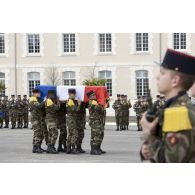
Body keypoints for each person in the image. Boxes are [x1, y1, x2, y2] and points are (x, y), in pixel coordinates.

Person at [140, 49, 195, 163]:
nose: (157, 77)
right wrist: (147, 147)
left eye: (163, 73)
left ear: (175, 81)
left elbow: (171, 160)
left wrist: (148, 134)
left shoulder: (178, 112)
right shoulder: (171, 107)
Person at [87, 90, 106, 155]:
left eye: (94, 95)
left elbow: (101, 111)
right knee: (95, 135)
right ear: (90, 97)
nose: (94, 96)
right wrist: (102, 105)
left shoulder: (95, 102)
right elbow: (99, 109)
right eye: (93, 95)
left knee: (100, 134)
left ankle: (98, 148)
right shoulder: (92, 102)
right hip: (94, 121)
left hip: (98, 120)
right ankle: (93, 149)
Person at [29, 89, 46, 153]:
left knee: (38, 133)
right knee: (38, 133)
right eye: (37, 93)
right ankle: (36, 147)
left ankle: (36, 147)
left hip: (38, 119)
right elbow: (39, 106)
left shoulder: (36, 99)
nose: (39, 94)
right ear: (34, 93)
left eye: (39, 93)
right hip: (35, 119)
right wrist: (44, 101)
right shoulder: (33, 99)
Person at [66, 89, 80, 154]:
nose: (74, 95)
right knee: (75, 134)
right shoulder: (70, 101)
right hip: (71, 119)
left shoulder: (71, 100)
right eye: (73, 94)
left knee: (70, 134)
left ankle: (68, 148)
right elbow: (75, 109)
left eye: (74, 94)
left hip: (71, 119)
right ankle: (73, 148)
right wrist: (79, 104)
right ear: (69, 94)